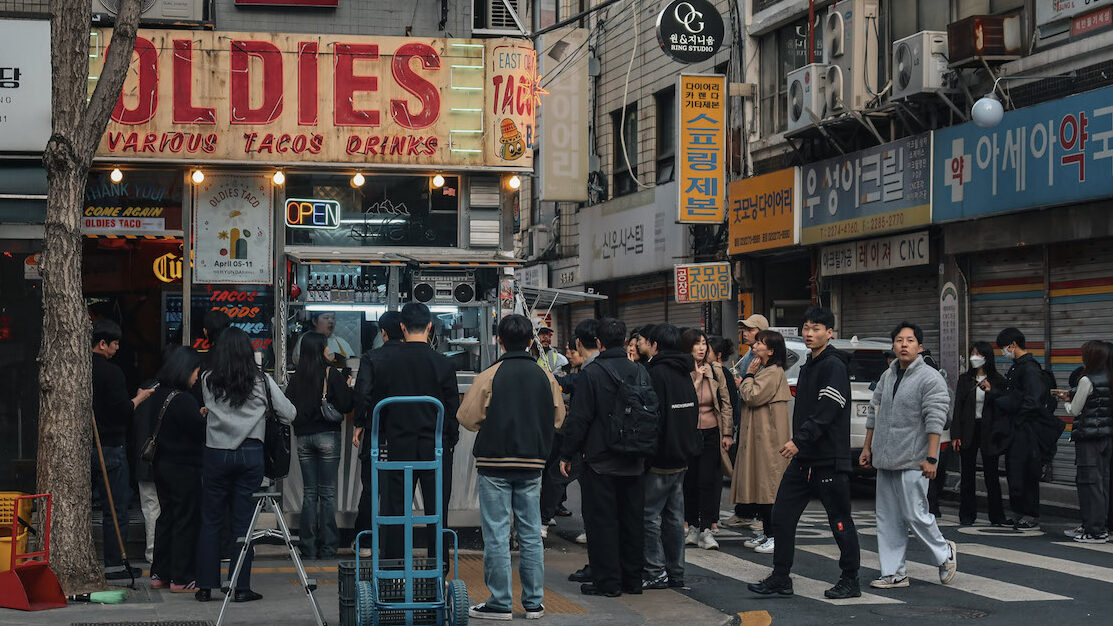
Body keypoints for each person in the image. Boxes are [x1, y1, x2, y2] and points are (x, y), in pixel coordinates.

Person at [748, 306, 861, 600]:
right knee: (782, 515)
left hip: (827, 458)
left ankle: (850, 579)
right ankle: (781, 577)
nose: (809, 334)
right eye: (806, 328)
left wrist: (800, 439)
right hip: (804, 459)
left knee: (839, 521)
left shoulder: (833, 365)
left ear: (830, 333)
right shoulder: (811, 363)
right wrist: (801, 444)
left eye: (816, 329)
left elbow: (828, 409)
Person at [459, 314, 564, 620]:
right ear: (531, 341)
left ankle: (500, 602)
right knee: (531, 533)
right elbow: (558, 419)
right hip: (533, 463)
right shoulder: (546, 377)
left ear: (499, 341)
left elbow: (467, 418)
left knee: (496, 533)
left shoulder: (489, 376)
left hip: (494, 464)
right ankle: (533, 603)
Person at [195, 327, 296, 603]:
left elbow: (209, 407)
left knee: (211, 520)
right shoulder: (260, 380)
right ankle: (240, 587)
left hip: (215, 453)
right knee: (243, 523)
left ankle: (205, 586)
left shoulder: (207, 379)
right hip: (251, 453)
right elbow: (289, 413)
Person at [860, 322, 957, 590]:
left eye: (910, 340)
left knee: (915, 513)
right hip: (885, 458)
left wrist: (932, 457)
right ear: (893, 346)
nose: (904, 344)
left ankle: (944, 552)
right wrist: (868, 448)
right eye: (900, 340)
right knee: (887, 518)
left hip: (914, 458)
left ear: (920, 347)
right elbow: (873, 412)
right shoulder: (887, 376)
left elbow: (935, 419)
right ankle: (894, 573)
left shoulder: (930, 377)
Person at [560, 317, 650, 597]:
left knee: (602, 523)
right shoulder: (640, 371)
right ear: (625, 341)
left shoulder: (593, 373)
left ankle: (608, 582)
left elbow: (580, 418)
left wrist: (566, 453)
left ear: (598, 343)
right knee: (632, 521)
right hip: (635, 459)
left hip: (600, 460)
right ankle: (633, 580)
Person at [367, 302, 461, 570]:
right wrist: (448, 441)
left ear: (402, 327)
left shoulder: (385, 362)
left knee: (395, 508)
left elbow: (377, 407)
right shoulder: (443, 364)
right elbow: (452, 409)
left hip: (398, 445)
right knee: (436, 510)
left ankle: (394, 568)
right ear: (430, 327)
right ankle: (437, 568)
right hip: (436, 447)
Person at [91, 319, 154, 579]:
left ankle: (113, 562)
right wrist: (139, 398)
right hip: (111, 447)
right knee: (116, 508)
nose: (117, 349)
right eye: (115, 344)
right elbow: (122, 412)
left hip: (87, 447)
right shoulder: (111, 372)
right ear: (102, 343)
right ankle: (115, 564)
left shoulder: (79, 368)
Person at [641, 323, 699, 591]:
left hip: (661, 457)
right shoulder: (685, 372)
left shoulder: (656, 373)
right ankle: (676, 572)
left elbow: (653, 418)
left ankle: (654, 571)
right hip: (682, 456)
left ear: (655, 345)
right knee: (675, 517)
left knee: (650, 516)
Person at [286, 331, 354, 560]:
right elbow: (346, 404)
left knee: (309, 493)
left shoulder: (296, 377)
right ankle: (328, 548)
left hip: (304, 438)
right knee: (326, 494)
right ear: (319, 349)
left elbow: (287, 407)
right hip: (327, 436)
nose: (328, 350)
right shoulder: (331, 373)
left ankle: (308, 547)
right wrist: (347, 385)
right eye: (326, 347)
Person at [148, 347, 206, 593]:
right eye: (195, 371)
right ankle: (181, 578)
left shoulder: (158, 394)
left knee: (166, 517)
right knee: (185, 519)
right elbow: (199, 431)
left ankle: (160, 573)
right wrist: (203, 416)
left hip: (162, 465)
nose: (196, 377)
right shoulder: (184, 399)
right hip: (184, 467)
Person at [731, 330, 792, 555]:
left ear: (771, 350)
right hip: (762, 438)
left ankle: (774, 535)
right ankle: (768, 532)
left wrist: (746, 377)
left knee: (769, 488)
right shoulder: (768, 371)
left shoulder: (772, 372)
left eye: (760, 343)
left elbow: (752, 396)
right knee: (764, 486)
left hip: (769, 440)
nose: (755, 346)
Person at [990, 327, 1057, 530]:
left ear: (1013, 345)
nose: (1003, 352)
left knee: (1026, 471)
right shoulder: (1017, 366)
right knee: (1014, 470)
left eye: (1004, 347)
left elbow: (1033, 400)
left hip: (1026, 429)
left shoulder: (1029, 369)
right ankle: (1019, 512)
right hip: (1016, 427)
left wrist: (1017, 415)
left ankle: (1030, 513)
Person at [351, 311, 404, 557]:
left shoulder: (371, 357)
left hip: (377, 432)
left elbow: (362, 393)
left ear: (383, 333)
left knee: (372, 487)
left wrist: (360, 423)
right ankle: (394, 545)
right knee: (399, 487)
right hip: (405, 433)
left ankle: (365, 543)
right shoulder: (412, 357)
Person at [680, 328, 732, 551]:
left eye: (704, 343)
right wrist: (697, 379)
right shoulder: (681, 371)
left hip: (712, 432)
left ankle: (706, 529)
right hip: (688, 433)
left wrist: (727, 433)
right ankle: (691, 526)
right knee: (689, 481)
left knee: (707, 481)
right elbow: (683, 401)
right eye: (696, 343)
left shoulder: (716, 371)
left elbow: (726, 403)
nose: (701, 348)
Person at [1056, 341, 1113, 543]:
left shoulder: (1087, 380)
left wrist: (1066, 401)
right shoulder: (1109, 377)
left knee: (1089, 483)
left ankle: (1094, 530)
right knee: (1103, 483)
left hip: (1089, 439)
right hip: (1107, 437)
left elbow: (1075, 410)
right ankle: (1099, 526)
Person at [951, 342, 1011, 526]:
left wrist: (991, 390)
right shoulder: (965, 379)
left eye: (978, 354)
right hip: (969, 428)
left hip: (989, 430)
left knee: (991, 475)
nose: (974, 358)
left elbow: (1003, 405)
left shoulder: (998, 380)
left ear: (986, 357)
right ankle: (967, 515)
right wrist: (955, 434)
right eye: (972, 354)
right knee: (967, 474)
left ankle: (996, 516)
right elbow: (958, 408)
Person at [723, 314, 769, 529]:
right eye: (745, 329)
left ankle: (762, 515)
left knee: (759, 469)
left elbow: (755, 390)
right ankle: (745, 511)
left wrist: (742, 382)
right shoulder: (749, 354)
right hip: (745, 417)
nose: (746, 333)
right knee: (744, 468)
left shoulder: (764, 358)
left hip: (759, 421)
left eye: (750, 330)